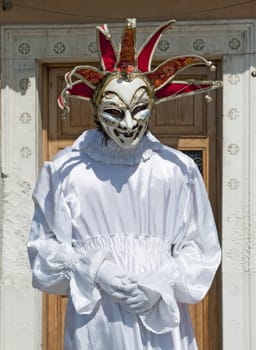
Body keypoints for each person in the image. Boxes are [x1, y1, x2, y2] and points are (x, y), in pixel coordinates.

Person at [27, 18, 222, 350]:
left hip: (159, 316)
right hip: (97, 320)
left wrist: (161, 281)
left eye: (140, 110)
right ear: (96, 108)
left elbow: (201, 248)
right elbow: (42, 248)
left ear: (154, 106)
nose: (130, 123)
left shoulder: (176, 171)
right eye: (116, 112)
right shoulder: (65, 171)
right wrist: (95, 270)